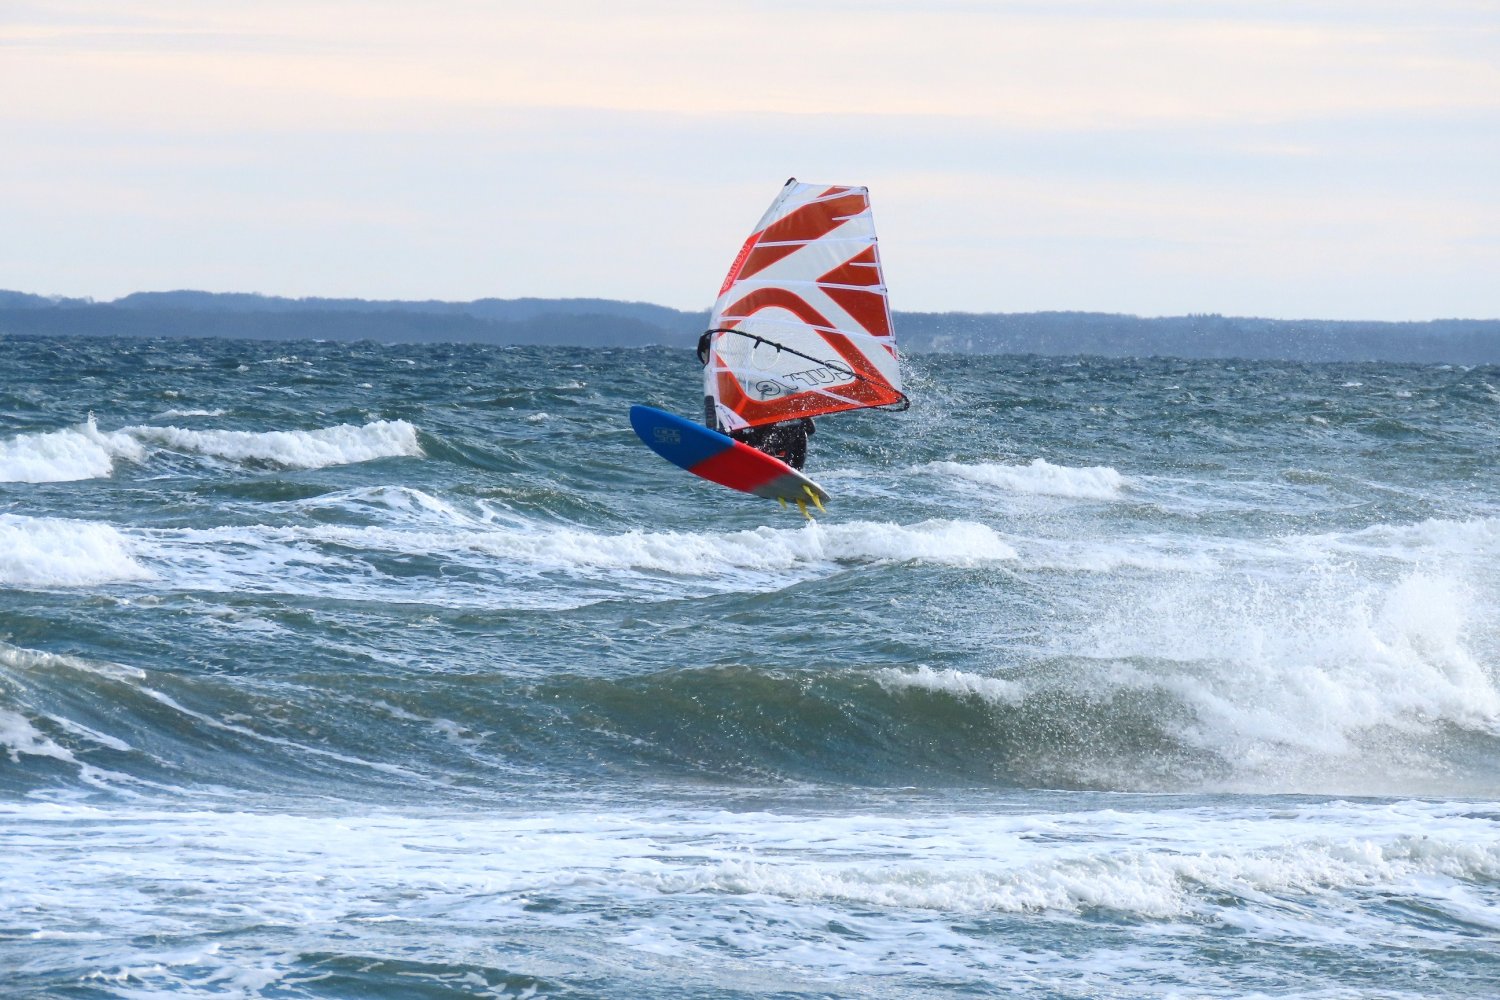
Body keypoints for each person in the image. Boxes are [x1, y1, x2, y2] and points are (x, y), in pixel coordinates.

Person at [698, 330, 816, 470]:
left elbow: (810, 428)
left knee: (800, 432)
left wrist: (797, 407)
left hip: (763, 444)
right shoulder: (721, 384)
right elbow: (716, 427)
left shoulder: (767, 384)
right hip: (736, 443)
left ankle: (794, 475)